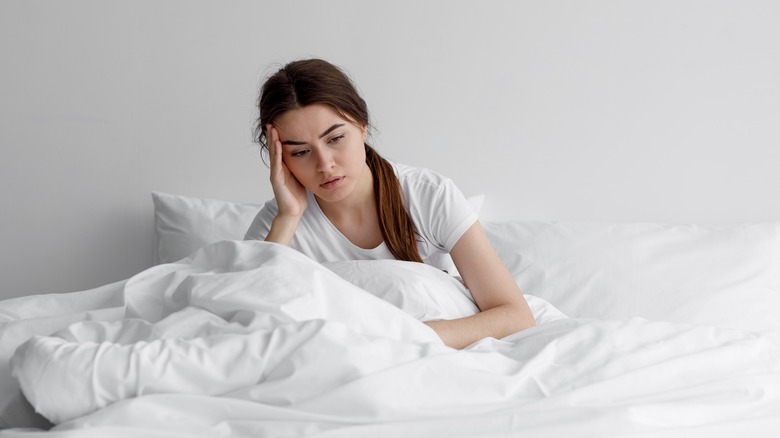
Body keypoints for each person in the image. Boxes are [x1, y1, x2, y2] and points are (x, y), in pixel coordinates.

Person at [244, 58, 535, 349]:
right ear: (279, 157)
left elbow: (515, 315)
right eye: (301, 152)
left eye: (335, 138)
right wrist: (288, 217)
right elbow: (248, 316)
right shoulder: (279, 222)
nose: (325, 164)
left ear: (362, 125)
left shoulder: (428, 195)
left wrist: (405, 338)